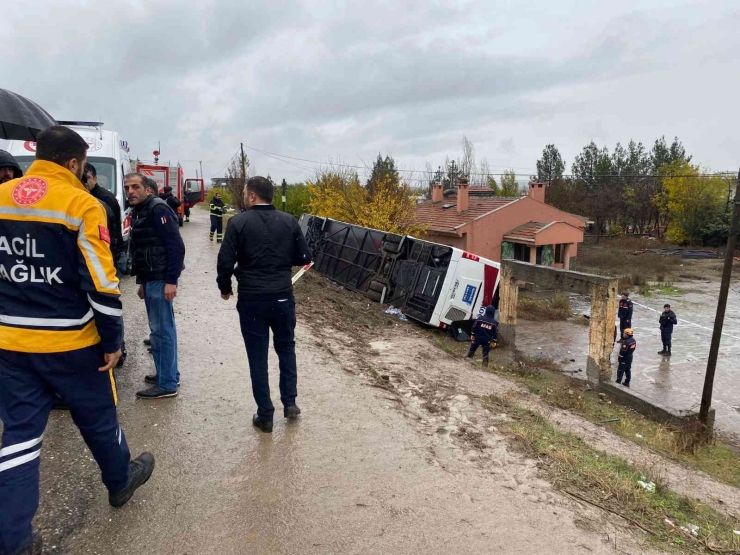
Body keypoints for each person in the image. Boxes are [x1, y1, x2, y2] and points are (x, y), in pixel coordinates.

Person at [0, 126, 154, 555]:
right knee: (99, 418)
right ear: (73, 163)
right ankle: (120, 482)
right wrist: (112, 340)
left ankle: (12, 541)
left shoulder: (2, 196)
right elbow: (102, 284)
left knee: (19, 435)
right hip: (71, 342)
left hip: (10, 342)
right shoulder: (81, 204)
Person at [217, 176, 312, 433]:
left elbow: (225, 261)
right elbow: (305, 256)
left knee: (257, 356)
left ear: (251, 196)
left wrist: (225, 288)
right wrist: (281, 260)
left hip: (252, 299)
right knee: (286, 348)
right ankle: (290, 403)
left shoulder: (238, 223)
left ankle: (265, 414)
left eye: (246, 194)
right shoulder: (289, 221)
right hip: (282, 296)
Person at [125, 173, 185, 399]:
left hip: (161, 279)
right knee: (160, 330)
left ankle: (167, 383)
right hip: (151, 278)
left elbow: (176, 247)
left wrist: (171, 281)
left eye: (135, 187)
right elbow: (142, 250)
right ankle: (167, 373)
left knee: (161, 331)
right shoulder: (141, 210)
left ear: (147, 189)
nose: (130, 191)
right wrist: (141, 281)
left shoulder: (158, 209)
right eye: (127, 187)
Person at [82, 163, 128, 366]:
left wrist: (114, 260)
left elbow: (114, 234)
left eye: (87, 178)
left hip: (107, 258)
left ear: (95, 178)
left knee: (109, 302)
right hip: (92, 259)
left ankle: (119, 347)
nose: (84, 182)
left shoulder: (105, 200)